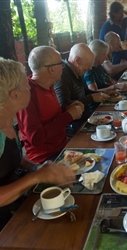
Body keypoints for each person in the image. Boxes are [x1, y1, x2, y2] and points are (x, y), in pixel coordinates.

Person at [0, 58, 75, 230]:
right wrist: (36, 177)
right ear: (14, 95)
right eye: (25, 84)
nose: (29, 87)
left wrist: (36, 168)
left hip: (20, 200)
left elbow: (12, 159)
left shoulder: (8, 122)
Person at [16, 46, 84, 163]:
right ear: (51, 69)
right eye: (61, 64)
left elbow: (49, 115)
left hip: (63, 146)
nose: (63, 67)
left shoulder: (48, 85)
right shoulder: (28, 94)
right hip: (46, 159)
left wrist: (67, 109)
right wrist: (68, 116)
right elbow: (35, 138)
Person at [54, 43, 109, 137]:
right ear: (77, 60)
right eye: (88, 64)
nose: (90, 68)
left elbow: (85, 91)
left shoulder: (77, 70)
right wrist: (91, 98)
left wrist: (103, 93)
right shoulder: (63, 75)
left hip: (87, 118)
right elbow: (64, 105)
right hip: (74, 128)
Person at [99, 2, 127, 66]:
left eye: (122, 13)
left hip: (126, 58)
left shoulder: (123, 22)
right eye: (120, 13)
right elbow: (103, 45)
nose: (122, 15)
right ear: (113, 13)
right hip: (115, 61)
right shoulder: (106, 27)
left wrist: (123, 10)